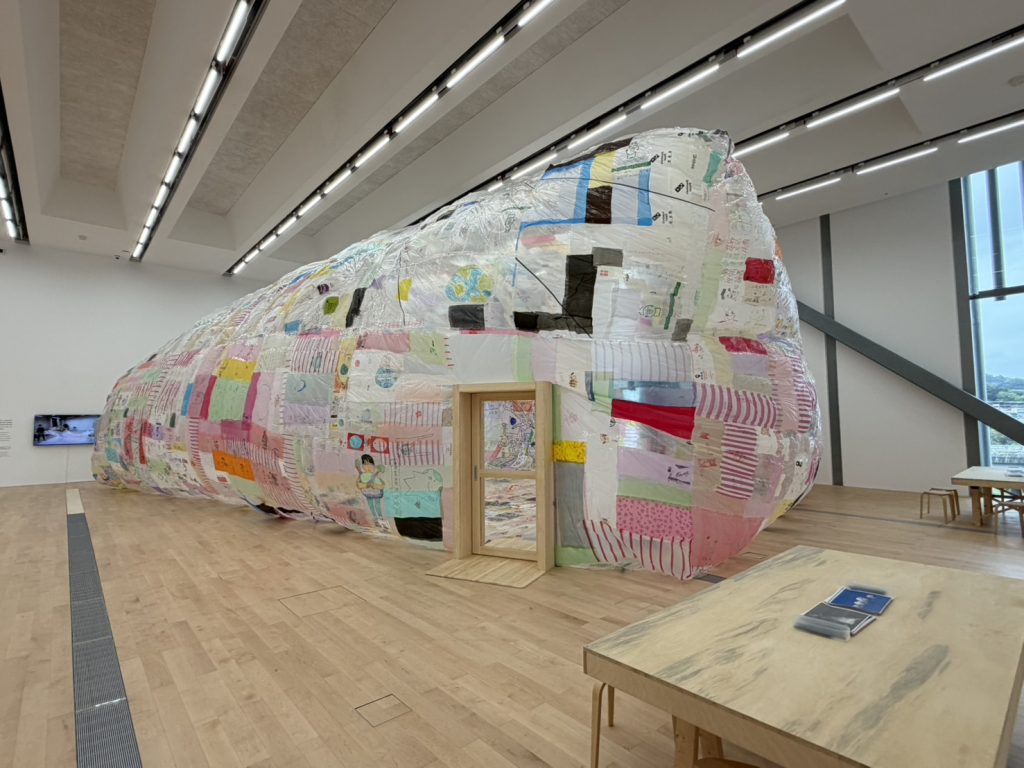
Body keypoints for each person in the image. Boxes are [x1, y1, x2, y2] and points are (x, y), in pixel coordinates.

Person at [355, 454, 387, 529]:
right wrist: (366, 485)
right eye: (365, 464)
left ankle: (381, 518)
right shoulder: (362, 475)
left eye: (370, 464)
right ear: (362, 466)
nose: (368, 466)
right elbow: (359, 485)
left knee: (377, 505)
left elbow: (382, 485)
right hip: (368, 493)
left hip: (376, 493)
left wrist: (374, 485)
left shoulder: (375, 475)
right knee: (371, 506)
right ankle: (376, 519)